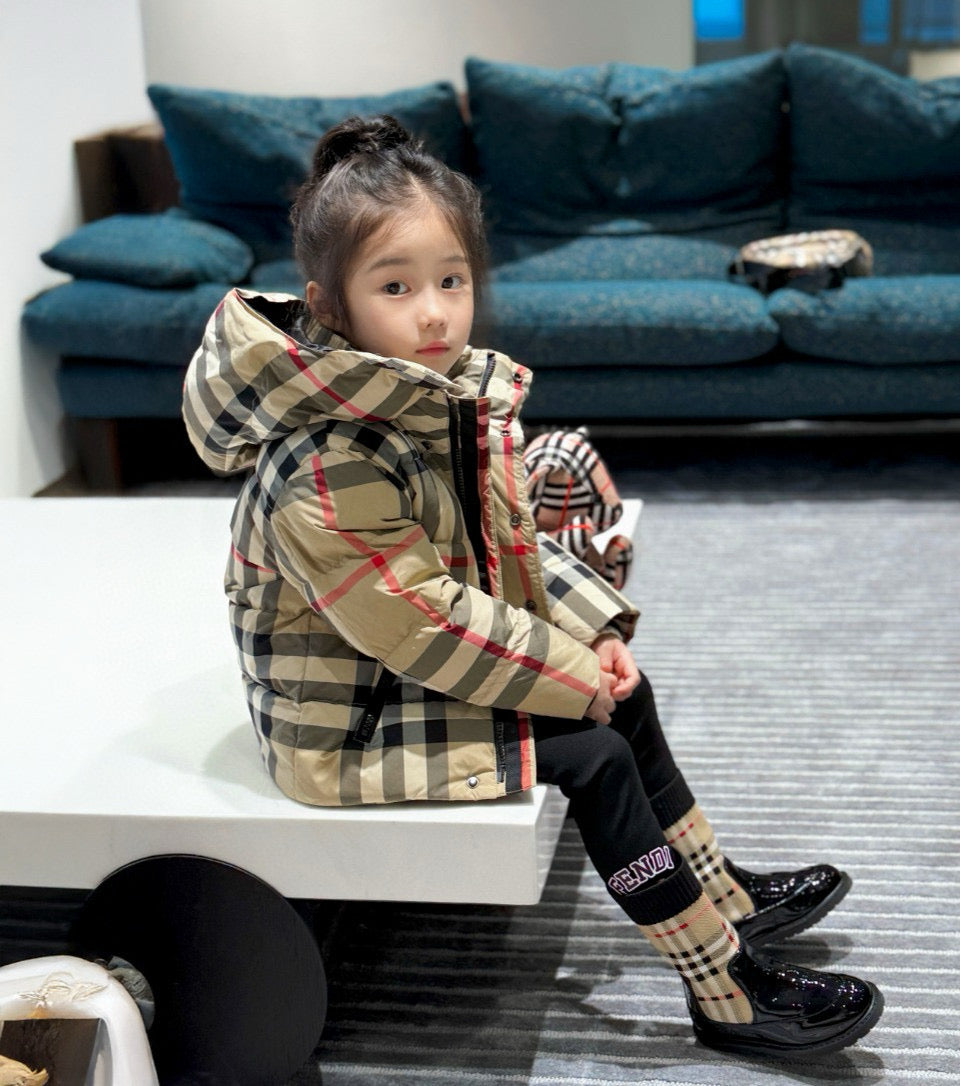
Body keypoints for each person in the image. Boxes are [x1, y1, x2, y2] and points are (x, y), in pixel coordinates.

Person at [182, 116, 884, 1059]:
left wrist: (593, 634)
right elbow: (422, 620)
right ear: (330, 306)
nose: (435, 314)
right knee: (593, 756)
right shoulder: (326, 459)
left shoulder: (424, 397)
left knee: (627, 698)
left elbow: (503, 542)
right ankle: (724, 988)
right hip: (345, 724)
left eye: (451, 281)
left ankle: (721, 893)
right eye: (396, 287)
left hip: (392, 675)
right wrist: (569, 678)